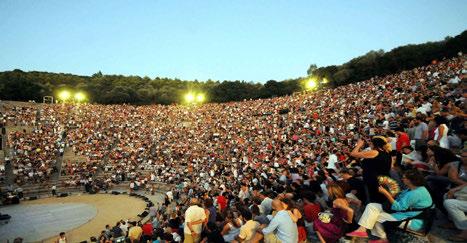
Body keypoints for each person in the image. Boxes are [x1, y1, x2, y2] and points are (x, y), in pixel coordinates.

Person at [347, 170, 433, 242]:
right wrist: (391, 192)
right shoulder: (415, 188)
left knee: (375, 216)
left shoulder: (416, 193)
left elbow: (399, 207)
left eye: (404, 177)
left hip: (413, 219)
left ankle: (383, 239)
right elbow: (401, 197)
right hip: (407, 212)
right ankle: (362, 229)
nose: (402, 179)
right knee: (371, 206)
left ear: (411, 180)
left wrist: (386, 194)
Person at [350, 136, 392, 203]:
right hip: (383, 178)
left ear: (375, 144)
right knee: (383, 199)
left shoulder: (374, 152)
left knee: (376, 200)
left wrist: (359, 145)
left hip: (373, 180)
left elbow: (353, 154)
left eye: (371, 143)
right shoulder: (386, 152)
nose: (370, 145)